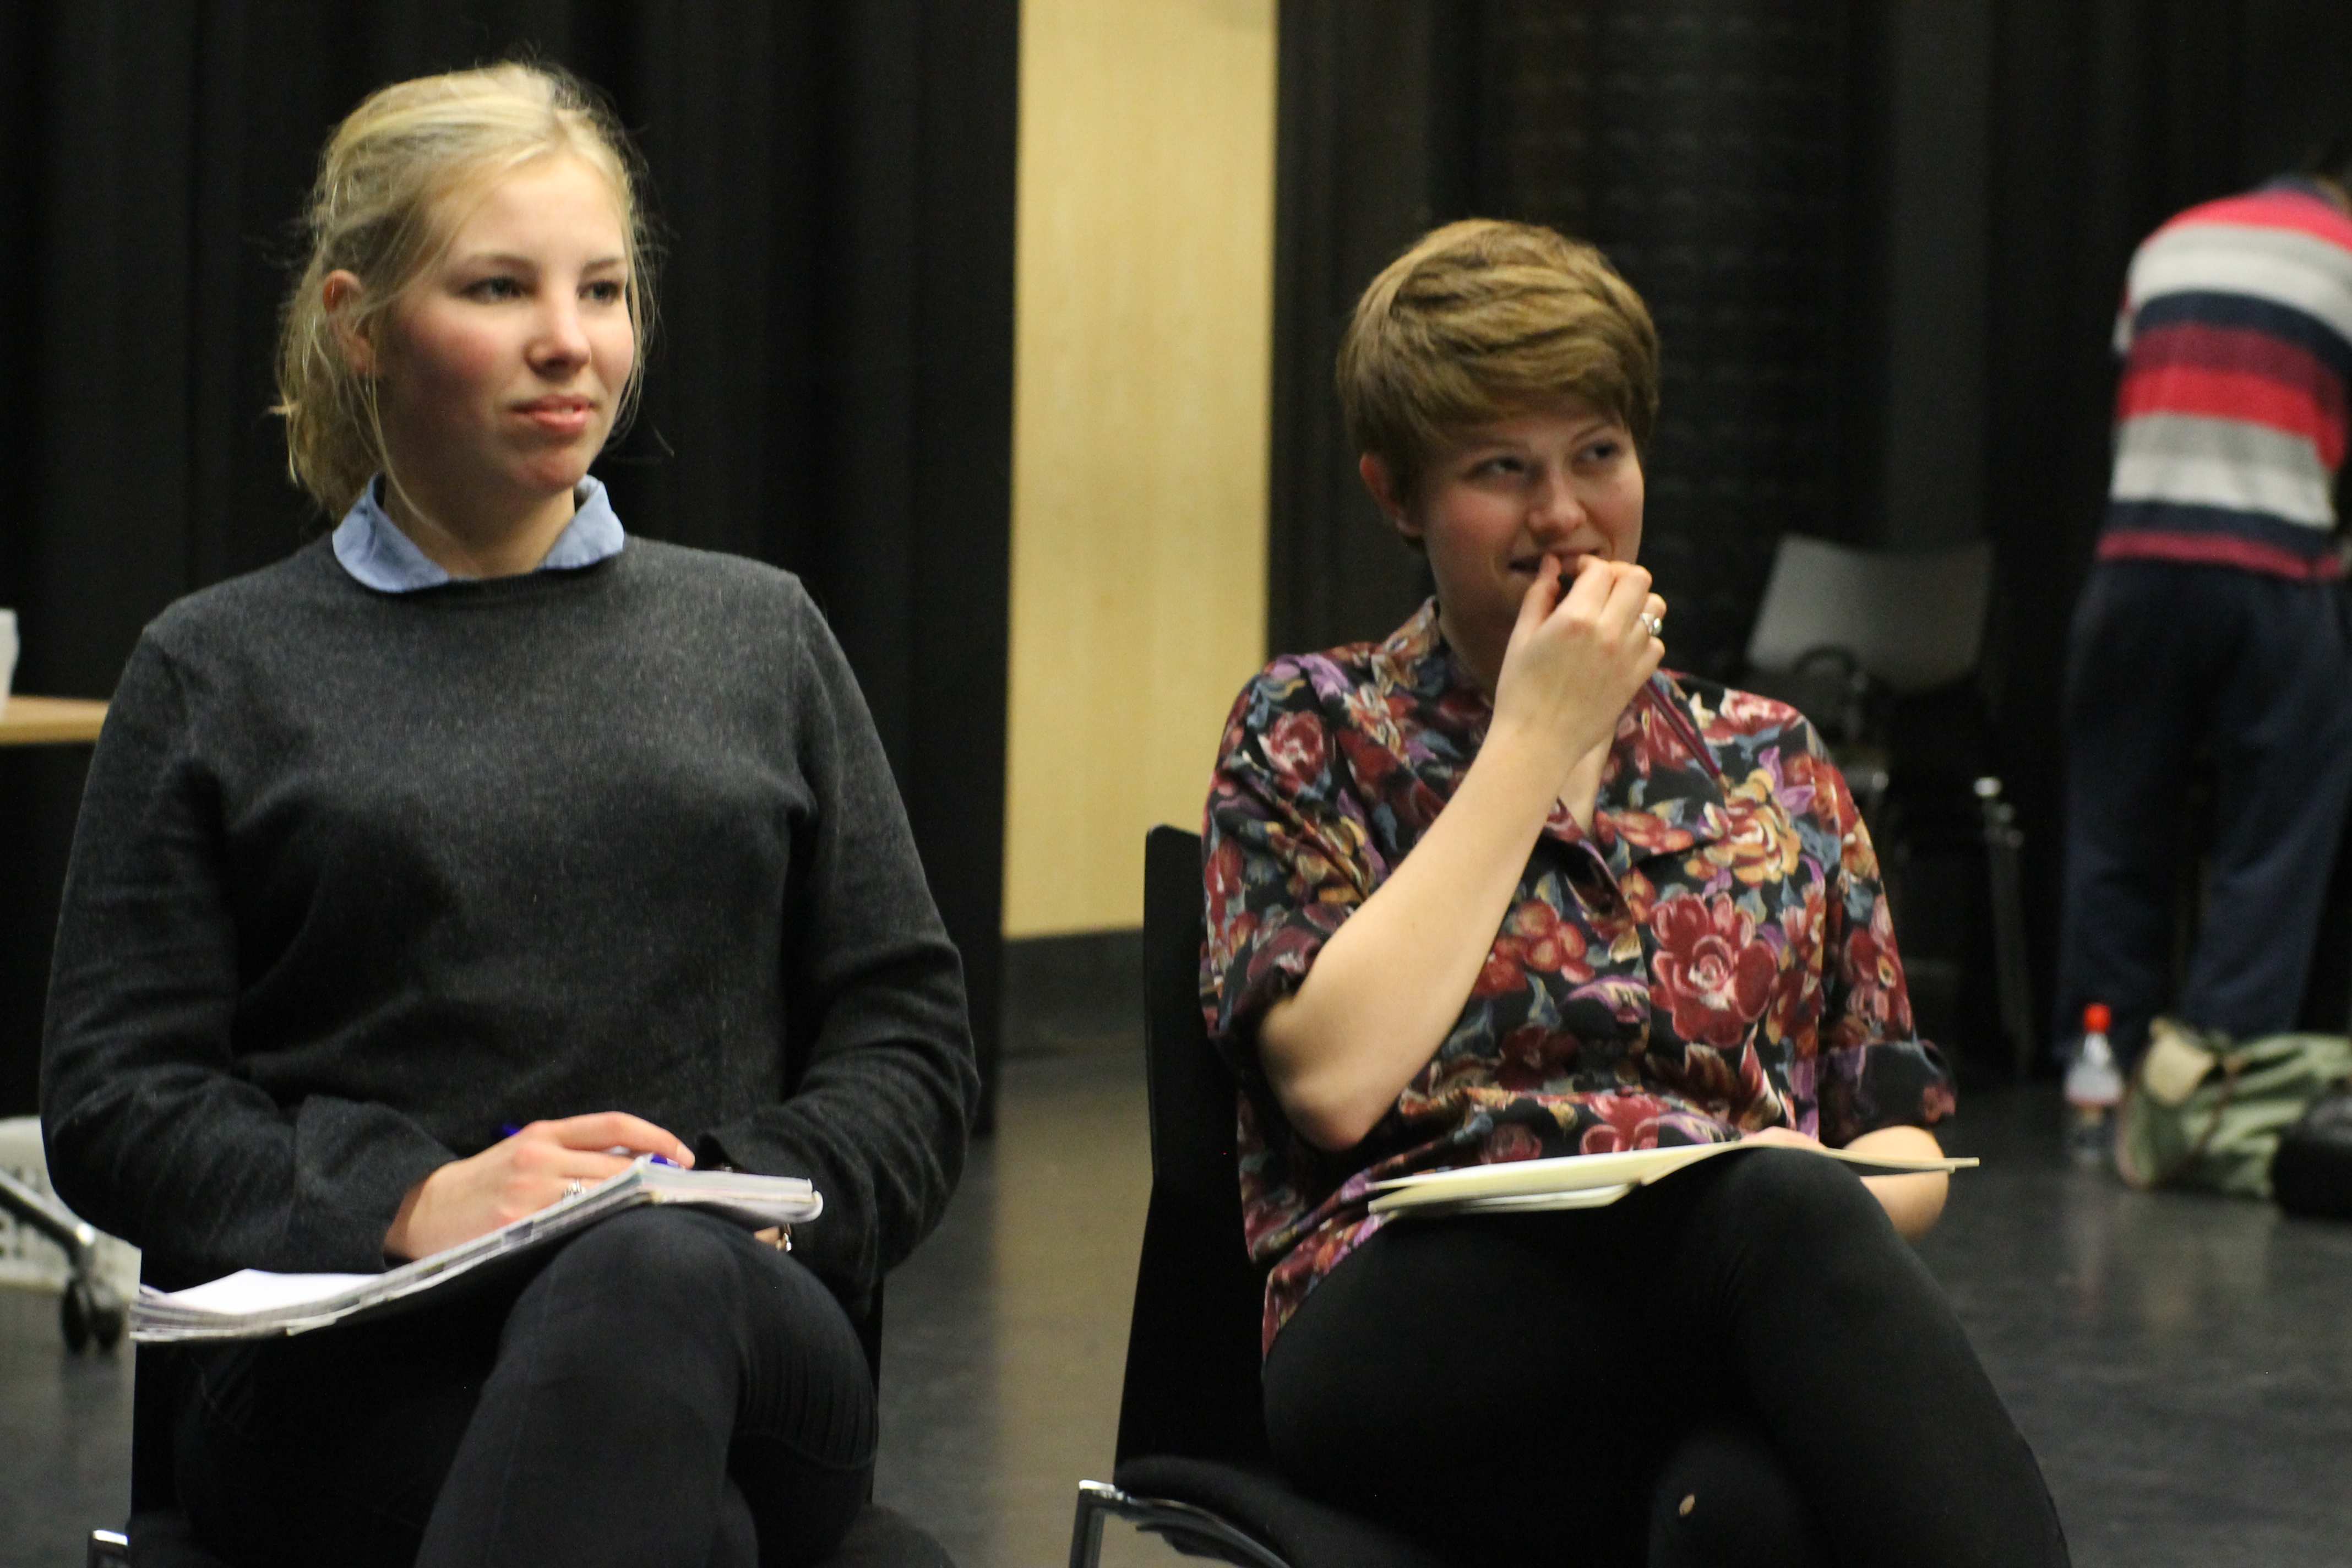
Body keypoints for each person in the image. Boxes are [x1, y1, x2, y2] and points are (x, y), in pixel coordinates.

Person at [40, 64, 977, 1568]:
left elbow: (911, 1042)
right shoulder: (214, 668)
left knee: (646, 1276)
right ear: (359, 324)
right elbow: (114, 1099)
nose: (569, 340)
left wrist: (712, 1194)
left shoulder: (761, 635)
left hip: (741, 1323)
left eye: (602, 290)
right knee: (695, 1531)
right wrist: (412, 1194)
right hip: (351, 1364)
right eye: (499, 287)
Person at [1201, 220, 2068, 1567]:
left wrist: (1812, 1185)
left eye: (1598, 454)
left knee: (1747, 1516)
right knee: (1767, 1228)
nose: (1563, 513)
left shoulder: (1771, 760)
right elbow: (1333, 1083)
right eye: (1501, 468)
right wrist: (1536, 733)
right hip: (1401, 1329)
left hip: (1726, 1302)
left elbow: (1899, 1138)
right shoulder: (1310, 728)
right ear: (1398, 494)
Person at [2054, 149, 2352, 1067]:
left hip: (2136, 563)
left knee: (2114, 833)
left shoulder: (2169, 243)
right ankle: (2221, 1078)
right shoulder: (2345, 255)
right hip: (2274, 571)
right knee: (2276, 841)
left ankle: (2101, 1066)